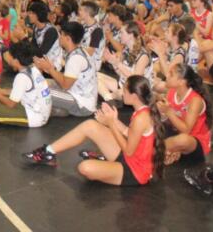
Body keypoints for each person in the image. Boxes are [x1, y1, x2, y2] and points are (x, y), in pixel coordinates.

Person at [23, 75, 165, 187]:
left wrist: (111, 124)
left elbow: (128, 150)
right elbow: (130, 133)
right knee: (90, 125)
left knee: (85, 168)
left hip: (134, 172)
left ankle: (104, 163)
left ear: (134, 96)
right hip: (130, 159)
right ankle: (48, 152)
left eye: (125, 90)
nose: (122, 93)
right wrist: (114, 120)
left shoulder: (142, 117)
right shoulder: (142, 111)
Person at [0, 40, 51, 127]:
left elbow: (11, 104)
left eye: (10, 56)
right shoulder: (32, 68)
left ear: (16, 61)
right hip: (38, 108)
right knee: (4, 92)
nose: (7, 58)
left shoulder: (22, 77)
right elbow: (19, 90)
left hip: (36, 118)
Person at [33, 21, 98, 117]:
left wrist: (50, 69)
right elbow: (67, 79)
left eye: (61, 35)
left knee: (39, 90)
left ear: (68, 39)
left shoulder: (76, 58)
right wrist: (50, 69)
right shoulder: (79, 51)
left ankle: (52, 108)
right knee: (41, 82)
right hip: (75, 94)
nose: (59, 38)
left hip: (81, 104)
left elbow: (65, 85)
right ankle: (58, 109)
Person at [157, 64, 212, 165]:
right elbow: (167, 121)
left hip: (194, 141)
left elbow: (186, 130)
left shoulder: (195, 100)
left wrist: (168, 111)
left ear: (181, 81)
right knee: (151, 122)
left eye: (171, 74)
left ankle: (154, 151)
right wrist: (163, 113)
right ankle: (169, 152)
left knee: (183, 140)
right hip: (176, 132)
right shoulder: (171, 92)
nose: (167, 76)